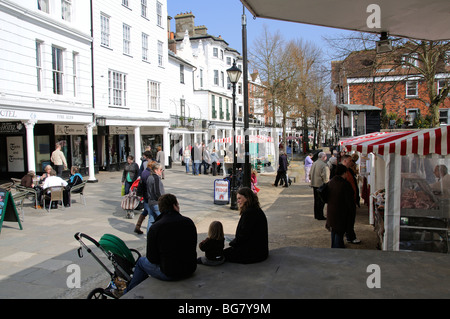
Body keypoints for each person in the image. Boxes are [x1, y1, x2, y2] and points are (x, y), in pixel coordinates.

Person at [124, 194, 197, 293]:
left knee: (141, 262)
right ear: (174, 206)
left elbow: (152, 258)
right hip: (190, 268)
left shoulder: (155, 228)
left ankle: (128, 292)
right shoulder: (188, 222)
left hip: (170, 273)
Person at [224, 187, 269, 264]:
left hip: (253, 253)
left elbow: (243, 235)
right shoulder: (255, 209)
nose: (237, 201)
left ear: (247, 198)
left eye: (239, 198)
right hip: (259, 251)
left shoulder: (249, 213)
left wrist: (232, 243)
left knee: (219, 255)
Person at [325, 164, 355, 248]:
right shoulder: (344, 184)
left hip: (332, 211)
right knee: (339, 232)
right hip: (341, 212)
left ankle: (334, 247)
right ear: (344, 173)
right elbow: (349, 200)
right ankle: (337, 251)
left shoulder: (331, 182)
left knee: (334, 231)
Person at [341, 154, 361, 244]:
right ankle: (350, 236)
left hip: (351, 200)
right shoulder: (342, 171)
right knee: (349, 219)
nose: (351, 163)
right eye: (350, 161)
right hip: (347, 201)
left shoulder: (349, 170)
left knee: (350, 219)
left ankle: (350, 235)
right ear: (345, 161)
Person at [309, 152, 330, 220]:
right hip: (321, 185)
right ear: (324, 157)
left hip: (314, 183)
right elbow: (326, 176)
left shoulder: (314, 163)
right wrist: (327, 183)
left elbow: (310, 174)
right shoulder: (324, 165)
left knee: (316, 200)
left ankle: (317, 214)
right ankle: (320, 215)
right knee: (321, 201)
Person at [145, 162, 165, 233]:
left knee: (151, 220)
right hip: (156, 203)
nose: (161, 171)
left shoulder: (149, 177)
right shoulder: (155, 178)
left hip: (151, 202)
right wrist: (162, 200)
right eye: (160, 169)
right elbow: (157, 192)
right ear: (156, 170)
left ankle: (149, 237)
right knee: (164, 219)